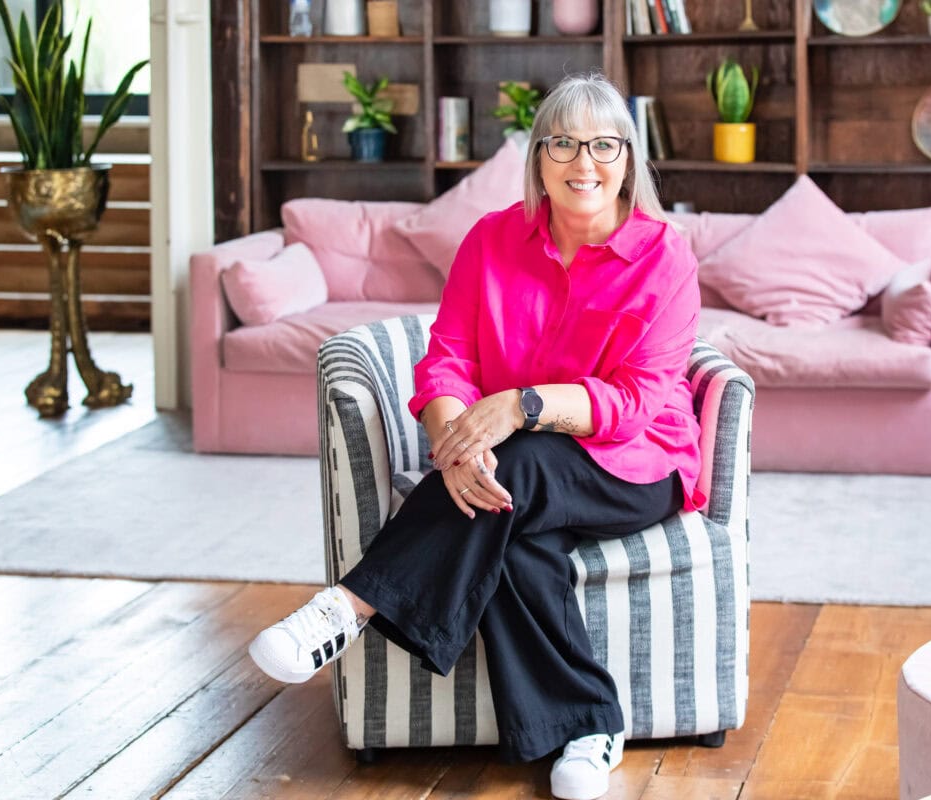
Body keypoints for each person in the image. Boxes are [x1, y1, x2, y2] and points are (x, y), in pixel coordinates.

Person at [248, 72, 703, 800]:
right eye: (562, 143)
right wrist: (453, 444)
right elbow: (448, 358)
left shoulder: (665, 256)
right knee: (514, 533)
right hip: (512, 466)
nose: (583, 162)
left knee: (519, 460)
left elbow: (640, 399)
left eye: (603, 145)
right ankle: (591, 727)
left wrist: (521, 407)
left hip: (634, 464)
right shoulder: (492, 241)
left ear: (628, 159)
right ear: (538, 159)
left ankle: (349, 607)